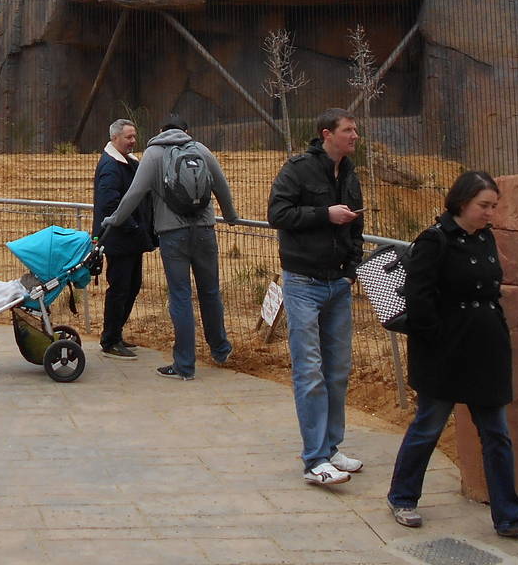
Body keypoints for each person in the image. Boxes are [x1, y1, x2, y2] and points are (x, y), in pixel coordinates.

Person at [387, 170, 518, 545]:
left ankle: (510, 516)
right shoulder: (434, 241)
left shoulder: (486, 238)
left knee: (497, 434)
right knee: (428, 426)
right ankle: (403, 497)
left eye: (494, 206)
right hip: (444, 351)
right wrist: (437, 340)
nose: (490, 213)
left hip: (486, 349)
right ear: (462, 202)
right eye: (484, 206)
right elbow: (420, 299)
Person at [267, 108, 366, 485]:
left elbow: (357, 222)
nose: (355, 136)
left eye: (355, 130)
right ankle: (314, 460)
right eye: (348, 130)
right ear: (327, 134)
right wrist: (324, 214)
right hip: (303, 282)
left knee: (338, 369)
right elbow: (277, 213)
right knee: (309, 370)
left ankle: (331, 447)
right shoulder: (297, 170)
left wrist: (352, 265)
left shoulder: (350, 173)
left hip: (338, 283)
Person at [103, 113, 240, 379]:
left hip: (172, 235)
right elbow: (221, 186)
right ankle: (220, 349)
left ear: (161, 130)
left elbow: (134, 193)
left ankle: (185, 365)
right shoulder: (201, 149)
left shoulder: (154, 155)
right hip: (205, 232)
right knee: (210, 292)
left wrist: (115, 219)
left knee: (180, 296)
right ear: (186, 131)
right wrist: (231, 217)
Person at [92, 117, 154, 359]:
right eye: (128, 137)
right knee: (120, 289)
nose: (133, 141)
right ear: (114, 138)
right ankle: (110, 339)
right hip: (119, 239)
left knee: (132, 286)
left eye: (134, 136)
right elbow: (110, 205)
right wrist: (134, 226)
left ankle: (115, 334)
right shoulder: (111, 167)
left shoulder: (128, 163)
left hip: (131, 238)